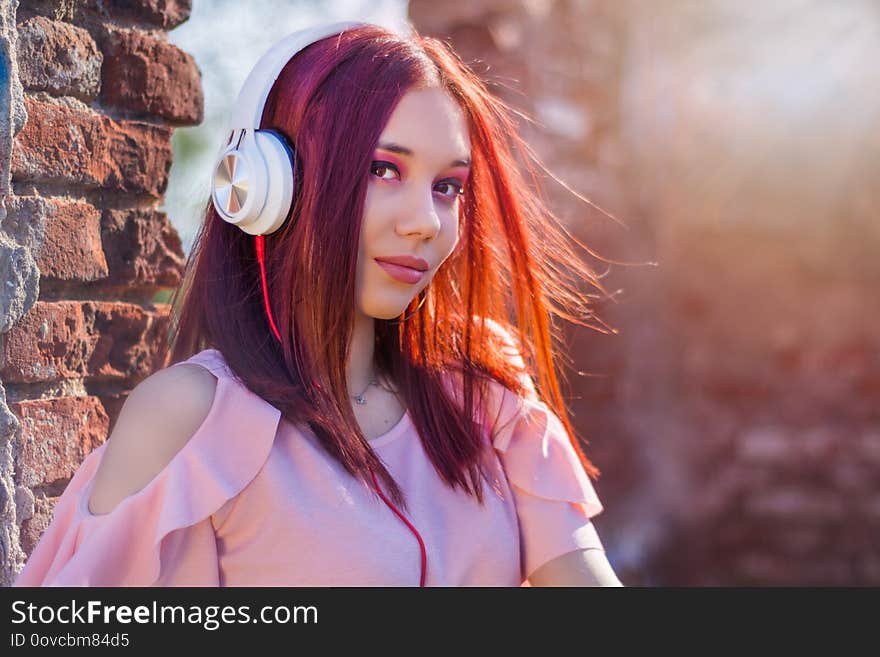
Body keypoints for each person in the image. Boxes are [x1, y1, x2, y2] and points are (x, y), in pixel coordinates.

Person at [13, 21, 623, 587]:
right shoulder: (190, 421)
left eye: (447, 187)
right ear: (269, 185)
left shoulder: (486, 391)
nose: (425, 223)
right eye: (383, 169)